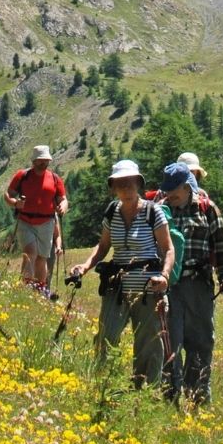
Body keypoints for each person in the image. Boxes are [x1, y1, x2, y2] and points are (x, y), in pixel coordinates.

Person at [69, 160, 174, 388]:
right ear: (113, 187)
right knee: (107, 336)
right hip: (116, 287)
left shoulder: (152, 212)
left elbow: (168, 248)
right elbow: (103, 247)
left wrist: (164, 276)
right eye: (120, 183)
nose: (126, 187)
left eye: (130, 182)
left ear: (138, 183)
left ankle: (143, 393)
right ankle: (100, 385)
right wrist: (84, 267)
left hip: (148, 289)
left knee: (148, 343)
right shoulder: (111, 212)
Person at [157, 157, 223, 405]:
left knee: (200, 342)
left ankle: (198, 398)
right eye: (167, 192)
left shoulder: (207, 208)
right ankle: (170, 397)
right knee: (169, 341)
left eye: (174, 193)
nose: (170, 197)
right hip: (169, 287)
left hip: (199, 286)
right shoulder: (160, 209)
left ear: (187, 187)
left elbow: (221, 247)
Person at [4, 145, 67, 294]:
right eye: (40, 161)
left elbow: (63, 199)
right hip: (26, 221)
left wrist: (63, 206)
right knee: (30, 252)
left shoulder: (55, 179)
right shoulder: (22, 176)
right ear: (33, 161)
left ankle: (40, 291)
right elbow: (8, 195)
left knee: (42, 258)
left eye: (45, 161)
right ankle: (26, 288)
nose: (43, 163)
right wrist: (15, 203)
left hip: (47, 222)